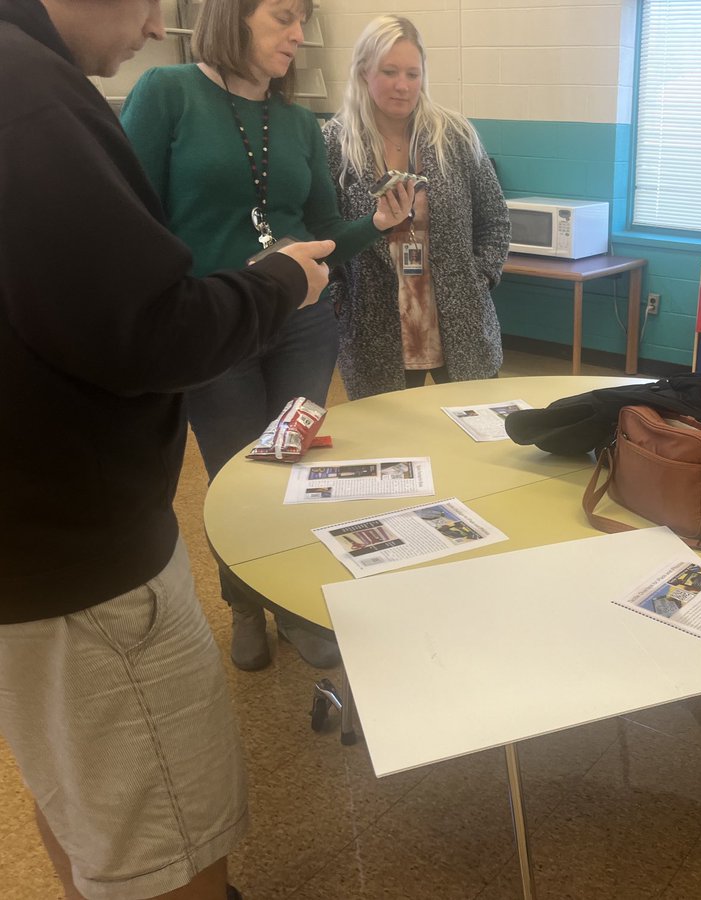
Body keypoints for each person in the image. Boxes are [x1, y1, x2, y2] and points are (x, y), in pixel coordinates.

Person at [0, 1, 334, 897]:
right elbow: (146, 320)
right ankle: (257, 607)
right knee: (166, 834)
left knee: (78, 788)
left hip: (36, 548)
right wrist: (274, 284)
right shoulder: (38, 97)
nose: (155, 24)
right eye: (151, 0)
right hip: (84, 560)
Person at [121, 0, 416, 671]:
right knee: (236, 478)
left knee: (293, 470)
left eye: (303, 21)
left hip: (302, 324)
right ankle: (245, 604)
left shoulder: (297, 123)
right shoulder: (167, 93)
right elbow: (130, 216)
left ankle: (292, 604)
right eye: (284, 16)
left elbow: (322, 239)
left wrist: (373, 223)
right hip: (213, 326)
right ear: (233, 14)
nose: (297, 34)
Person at [324, 14, 510, 400]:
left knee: (472, 435)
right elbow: (321, 235)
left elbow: (494, 219)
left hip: (459, 322)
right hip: (375, 327)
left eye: (413, 73)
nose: (402, 85)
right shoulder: (334, 145)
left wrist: (480, 278)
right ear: (363, 73)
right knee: (389, 446)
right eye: (389, 71)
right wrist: (340, 299)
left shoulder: (454, 136)